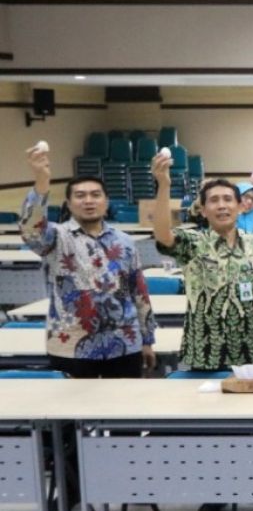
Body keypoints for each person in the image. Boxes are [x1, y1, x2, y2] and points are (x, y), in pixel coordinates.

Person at [152, 157, 253, 511]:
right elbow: (163, 236)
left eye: (228, 199)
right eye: (214, 200)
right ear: (202, 208)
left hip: (252, 347)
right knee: (212, 429)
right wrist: (163, 186)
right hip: (207, 347)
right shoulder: (192, 243)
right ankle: (217, 492)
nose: (223, 205)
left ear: (241, 203)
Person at [20, 143, 156, 377]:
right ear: (69, 204)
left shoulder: (124, 241)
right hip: (71, 345)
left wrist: (146, 338)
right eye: (80, 196)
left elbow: (134, 290)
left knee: (124, 409)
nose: (88, 201)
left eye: (95, 195)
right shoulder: (56, 238)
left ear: (106, 201)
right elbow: (31, 231)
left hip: (124, 342)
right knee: (72, 412)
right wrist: (41, 182)